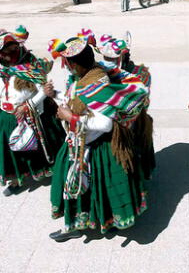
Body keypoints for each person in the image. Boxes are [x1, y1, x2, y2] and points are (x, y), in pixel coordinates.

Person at [47, 30, 150, 242]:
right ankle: (105, 220)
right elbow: (75, 99)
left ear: (74, 65)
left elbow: (104, 123)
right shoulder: (87, 76)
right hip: (81, 140)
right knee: (96, 187)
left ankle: (77, 224)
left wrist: (70, 118)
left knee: (81, 185)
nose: (67, 67)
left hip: (95, 145)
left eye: (67, 63)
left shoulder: (95, 86)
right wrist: (56, 96)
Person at [0, 26, 65, 196]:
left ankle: (46, 170)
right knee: (8, 152)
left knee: (36, 148)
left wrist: (28, 106)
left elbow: (44, 91)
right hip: (4, 115)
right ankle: (15, 180)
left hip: (32, 114)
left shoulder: (31, 64)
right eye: (1, 53)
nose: (4, 56)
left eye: (8, 52)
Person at [98, 33, 156, 180]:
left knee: (136, 149)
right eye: (105, 58)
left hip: (134, 120)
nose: (107, 62)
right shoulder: (100, 73)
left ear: (122, 56)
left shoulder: (141, 74)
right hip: (110, 121)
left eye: (111, 58)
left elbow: (143, 99)